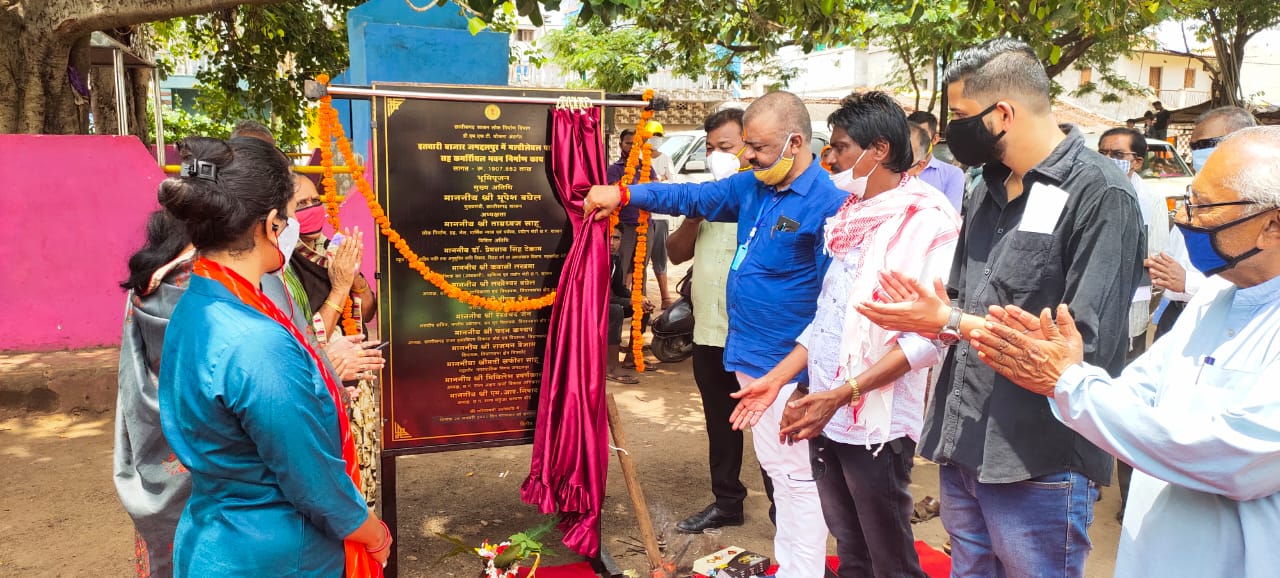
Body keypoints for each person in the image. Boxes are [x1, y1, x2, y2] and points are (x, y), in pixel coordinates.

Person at [858, 38, 1145, 578]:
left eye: (962, 116)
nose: (951, 132)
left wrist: (947, 320)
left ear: (1003, 113)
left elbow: (1087, 344)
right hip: (965, 439)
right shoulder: (982, 186)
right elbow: (962, 297)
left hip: (1036, 454)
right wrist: (933, 313)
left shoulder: (1102, 194)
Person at [964, 126, 1280, 577]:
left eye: (1205, 208)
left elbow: (1232, 459)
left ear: (1272, 224)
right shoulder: (1214, 299)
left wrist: (1069, 381)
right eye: (1189, 202)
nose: (1187, 220)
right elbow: (1137, 389)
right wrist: (1067, 369)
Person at [584, 90, 844, 578]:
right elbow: (689, 196)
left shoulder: (830, 206)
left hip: (788, 371)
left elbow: (836, 309)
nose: (747, 156)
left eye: (758, 148)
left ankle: (802, 570)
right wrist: (623, 193)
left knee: (796, 481)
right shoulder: (753, 188)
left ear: (794, 143)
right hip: (748, 359)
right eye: (746, 145)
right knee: (784, 475)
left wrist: (811, 380)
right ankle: (795, 567)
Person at [732, 91, 961, 578]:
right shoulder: (852, 214)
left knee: (889, 556)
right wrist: (778, 380)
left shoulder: (926, 218)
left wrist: (844, 393)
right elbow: (831, 317)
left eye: (839, 147)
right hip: (830, 405)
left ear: (878, 150)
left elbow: (926, 338)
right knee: (851, 546)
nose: (829, 158)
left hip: (873, 416)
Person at [156, 136, 390, 575]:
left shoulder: (200, 303)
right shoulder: (255, 340)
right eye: (291, 213)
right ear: (270, 225)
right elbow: (312, 480)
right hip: (276, 553)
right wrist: (374, 532)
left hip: (217, 535)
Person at [666, 108, 777, 533]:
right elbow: (676, 254)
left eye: (727, 148)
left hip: (755, 337)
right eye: (711, 149)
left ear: (750, 147)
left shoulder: (767, 196)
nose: (718, 156)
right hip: (710, 332)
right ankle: (727, 502)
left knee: (769, 427)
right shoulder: (708, 195)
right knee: (720, 422)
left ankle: (783, 509)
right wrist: (694, 215)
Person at [1147, 106, 1257, 338]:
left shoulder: (1260, 204)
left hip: (1222, 321)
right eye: (1193, 146)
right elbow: (1174, 254)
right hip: (1176, 315)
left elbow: (1258, 281)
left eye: (1204, 145)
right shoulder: (1194, 193)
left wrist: (1188, 282)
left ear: (1240, 141)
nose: (1196, 153)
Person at [289, 176, 378, 337]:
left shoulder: (333, 248)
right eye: (302, 204)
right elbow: (309, 340)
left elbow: (367, 314)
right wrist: (340, 288)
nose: (312, 208)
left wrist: (354, 276)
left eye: (316, 201)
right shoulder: (283, 263)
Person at [606, 227, 652, 384]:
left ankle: (631, 356)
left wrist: (639, 297)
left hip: (608, 302)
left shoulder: (616, 259)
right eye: (609, 237)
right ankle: (611, 366)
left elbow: (619, 288)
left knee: (644, 307)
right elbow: (600, 297)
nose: (612, 243)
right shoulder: (596, 258)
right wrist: (629, 301)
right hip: (589, 307)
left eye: (616, 238)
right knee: (615, 311)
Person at [907, 110, 967, 213]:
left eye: (923, 138)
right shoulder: (894, 170)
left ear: (935, 139)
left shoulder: (952, 174)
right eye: (909, 138)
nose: (915, 143)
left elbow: (951, 217)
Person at [645, 120, 676, 308]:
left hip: (660, 216)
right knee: (641, 260)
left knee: (660, 258)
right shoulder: (639, 158)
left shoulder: (666, 158)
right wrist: (660, 179)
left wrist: (658, 182)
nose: (655, 140)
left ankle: (665, 298)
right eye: (652, 136)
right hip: (643, 217)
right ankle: (644, 300)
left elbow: (672, 184)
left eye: (658, 136)